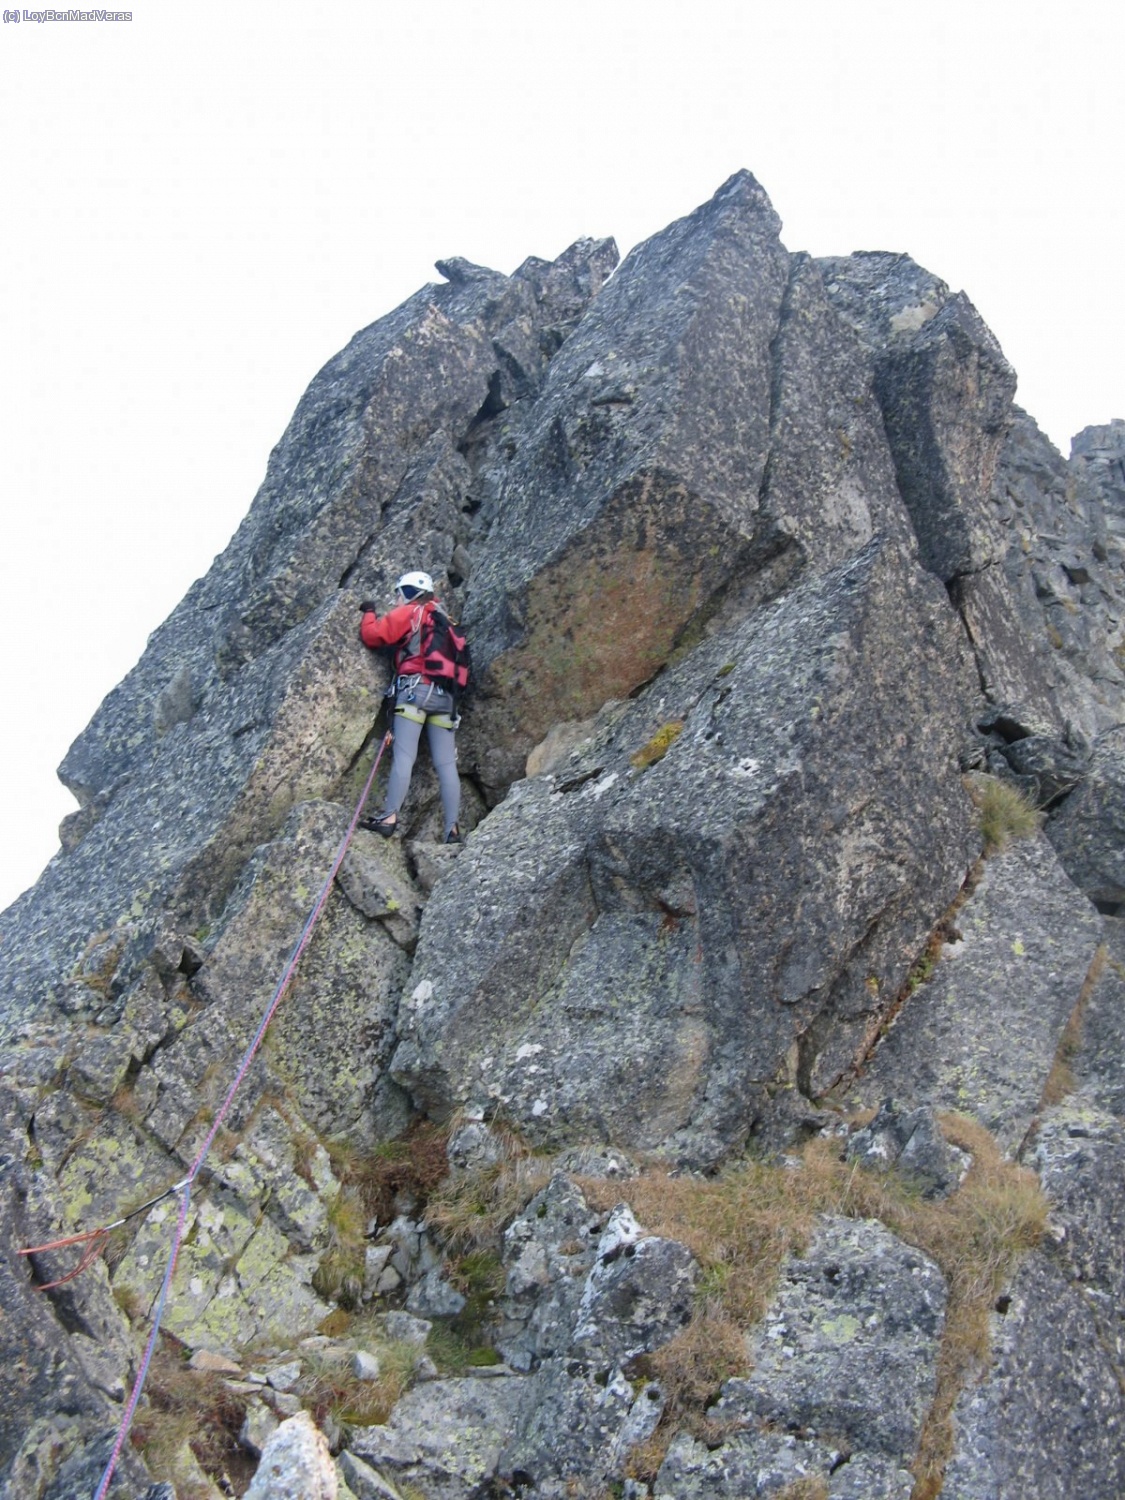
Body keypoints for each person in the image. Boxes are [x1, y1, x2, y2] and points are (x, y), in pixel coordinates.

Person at [358, 571, 464, 844]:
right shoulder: (445, 620)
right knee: (446, 764)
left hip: (415, 692)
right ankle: (452, 829)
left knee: (405, 756)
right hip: (446, 700)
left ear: (410, 592)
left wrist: (369, 612)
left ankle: (389, 817)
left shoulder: (411, 613)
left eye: (400, 593)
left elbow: (374, 636)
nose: (397, 599)